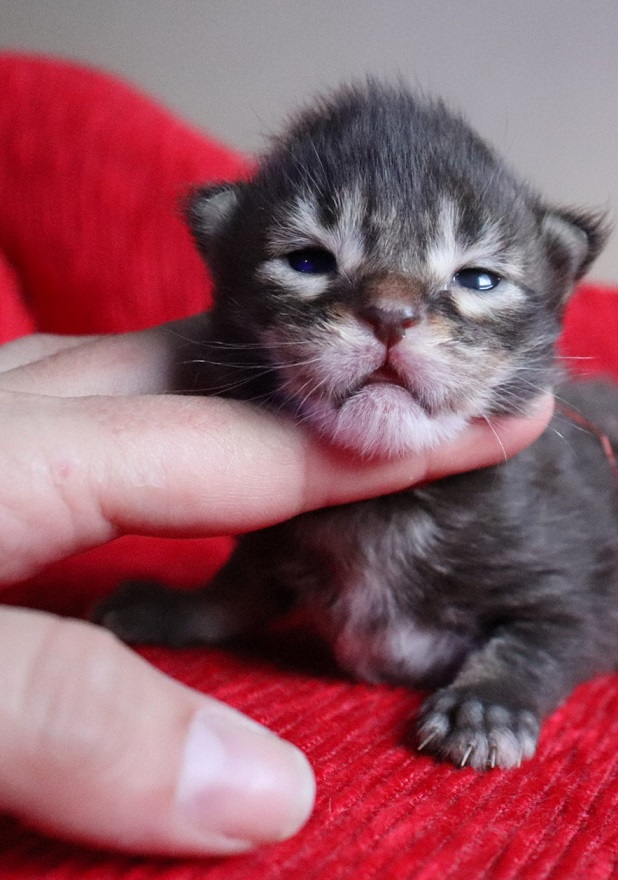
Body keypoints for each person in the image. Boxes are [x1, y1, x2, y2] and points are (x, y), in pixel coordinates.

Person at [0, 318, 552, 856]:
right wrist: (214, 611)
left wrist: (505, 690)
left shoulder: (533, 497)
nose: (394, 314)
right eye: (311, 260)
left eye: (477, 280)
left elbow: (567, 612)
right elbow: (273, 555)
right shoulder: (283, 466)